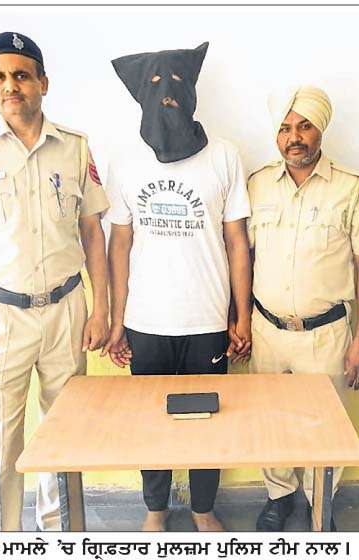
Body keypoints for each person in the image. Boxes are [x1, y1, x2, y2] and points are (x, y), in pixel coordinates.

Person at [0, 32, 110, 531]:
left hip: (66, 310)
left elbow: (92, 232)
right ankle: (3, 543)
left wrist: (101, 309)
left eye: (21, 76)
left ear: (42, 83)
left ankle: (59, 537)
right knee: (4, 441)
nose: (10, 86)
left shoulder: (75, 148)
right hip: (1, 316)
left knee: (63, 434)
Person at [103, 42, 252, 532]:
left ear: (191, 91)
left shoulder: (224, 156)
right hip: (146, 320)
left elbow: (237, 240)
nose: (167, 93)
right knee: (151, 422)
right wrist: (117, 322)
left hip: (207, 318)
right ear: (139, 96)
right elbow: (119, 243)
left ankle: (203, 509)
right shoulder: (125, 160)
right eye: (154, 85)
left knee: (209, 421)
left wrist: (242, 316)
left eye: (177, 83)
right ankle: (155, 509)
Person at [247, 86, 359, 531]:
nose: (295, 138)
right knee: (270, 420)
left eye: (304, 126)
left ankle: (318, 501)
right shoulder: (257, 184)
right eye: (285, 128)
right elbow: (243, 257)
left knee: (326, 425)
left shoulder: (353, 186)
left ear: (320, 129)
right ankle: (279, 496)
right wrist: (238, 321)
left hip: (327, 333)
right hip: (267, 329)